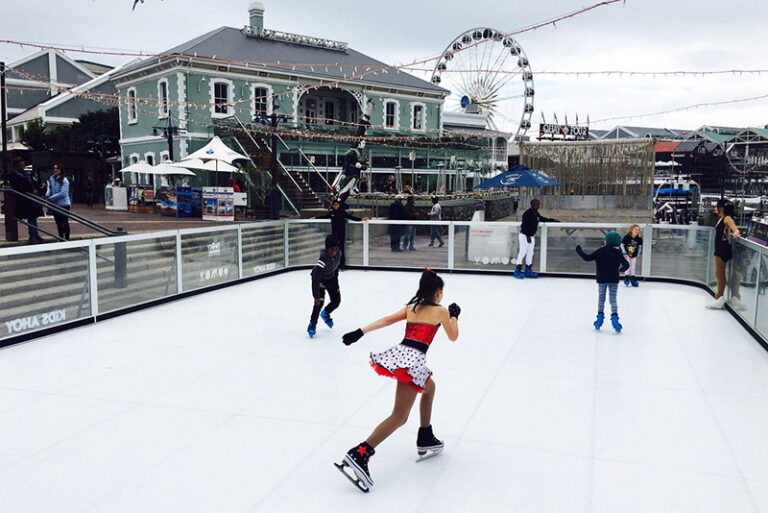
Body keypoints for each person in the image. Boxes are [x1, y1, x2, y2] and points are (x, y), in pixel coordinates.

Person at [336, 269, 461, 492]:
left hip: (402, 354)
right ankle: (360, 453)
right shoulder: (441, 311)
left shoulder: (412, 308)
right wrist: (454, 316)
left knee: (430, 388)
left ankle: (425, 435)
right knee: (399, 417)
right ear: (438, 293)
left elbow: (386, 320)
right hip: (412, 362)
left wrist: (360, 332)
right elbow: (453, 336)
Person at [576, 232, 630, 333]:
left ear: (607, 241)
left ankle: (599, 318)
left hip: (602, 278)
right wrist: (620, 270)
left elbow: (587, 258)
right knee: (613, 299)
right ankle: (615, 318)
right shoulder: (618, 253)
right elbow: (627, 265)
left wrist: (579, 250)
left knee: (601, 298)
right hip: (614, 278)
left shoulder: (600, 251)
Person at [707, 199, 741, 309]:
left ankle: (719, 298)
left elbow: (733, 227)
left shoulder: (726, 218)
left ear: (721, 208)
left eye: (717, 207)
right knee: (720, 275)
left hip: (721, 249)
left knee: (720, 275)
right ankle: (723, 297)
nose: (715, 208)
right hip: (722, 248)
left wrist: (736, 232)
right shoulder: (722, 218)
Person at [316, 199, 370, 268]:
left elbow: (351, 217)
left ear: (339, 205)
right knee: (334, 248)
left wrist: (361, 219)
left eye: (337, 205)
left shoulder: (342, 212)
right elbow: (325, 216)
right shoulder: (332, 213)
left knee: (341, 248)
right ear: (332, 205)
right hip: (334, 233)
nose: (336, 206)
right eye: (334, 205)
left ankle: (342, 264)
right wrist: (316, 217)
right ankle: (334, 264)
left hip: (341, 232)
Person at [514, 199, 559, 279]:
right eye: (536, 204)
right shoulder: (527, 213)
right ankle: (517, 270)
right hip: (524, 236)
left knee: (530, 253)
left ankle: (528, 270)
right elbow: (524, 226)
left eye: (538, 204)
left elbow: (541, 218)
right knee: (523, 252)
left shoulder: (536, 213)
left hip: (531, 236)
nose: (538, 206)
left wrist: (552, 220)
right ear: (532, 204)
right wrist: (528, 236)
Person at [308, 234, 343, 338]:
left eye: (336, 249)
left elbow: (335, 267)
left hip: (331, 278)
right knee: (319, 303)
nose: (334, 252)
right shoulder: (323, 258)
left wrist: (335, 282)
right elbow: (316, 278)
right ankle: (312, 325)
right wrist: (316, 296)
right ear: (327, 249)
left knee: (336, 301)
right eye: (331, 249)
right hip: (320, 280)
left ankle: (326, 313)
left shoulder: (339, 253)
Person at [7, 157, 43, 243]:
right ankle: (33, 235)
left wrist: (36, 188)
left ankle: (35, 234)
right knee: (31, 217)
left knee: (33, 217)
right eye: (21, 165)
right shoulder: (14, 175)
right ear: (17, 165)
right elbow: (18, 187)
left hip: (30, 199)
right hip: (23, 200)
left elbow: (33, 182)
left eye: (23, 165)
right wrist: (31, 190)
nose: (22, 166)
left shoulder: (26, 174)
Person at [46, 164, 72, 240]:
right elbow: (50, 188)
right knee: (58, 223)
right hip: (55, 204)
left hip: (64, 204)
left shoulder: (64, 180)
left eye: (57, 168)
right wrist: (47, 194)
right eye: (54, 168)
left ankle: (66, 238)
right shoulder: (52, 178)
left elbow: (63, 193)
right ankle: (61, 238)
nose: (55, 170)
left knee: (64, 222)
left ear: (61, 170)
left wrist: (51, 198)